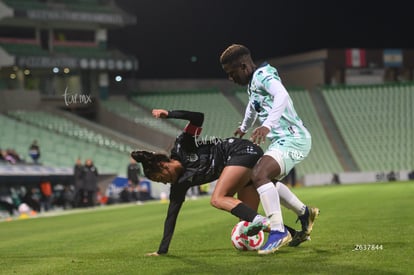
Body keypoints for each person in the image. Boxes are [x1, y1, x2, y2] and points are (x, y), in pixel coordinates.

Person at [220, 44, 319, 254]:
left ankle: (277, 231)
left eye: (232, 73)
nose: (231, 78)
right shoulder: (254, 82)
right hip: (284, 140)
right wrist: (244, 126)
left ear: (244, 66)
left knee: (259, 174)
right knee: (265, 181)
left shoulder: (264, 74)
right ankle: (304, 212)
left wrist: (267, 125)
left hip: (294, 138)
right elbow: (252, 105)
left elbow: (281, 96)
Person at [132, 109, 270, 256]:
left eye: (160, 179)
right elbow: (171, 217)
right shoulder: (179, 184)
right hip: (244, 162)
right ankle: (288, 232)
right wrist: (162, 251)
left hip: (239, 150)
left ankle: (266, 220)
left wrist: (169, 114)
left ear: (163, 166)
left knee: (218, 199)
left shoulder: (182, 145)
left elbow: (197, 117)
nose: (164, 183)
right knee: (247, 220)